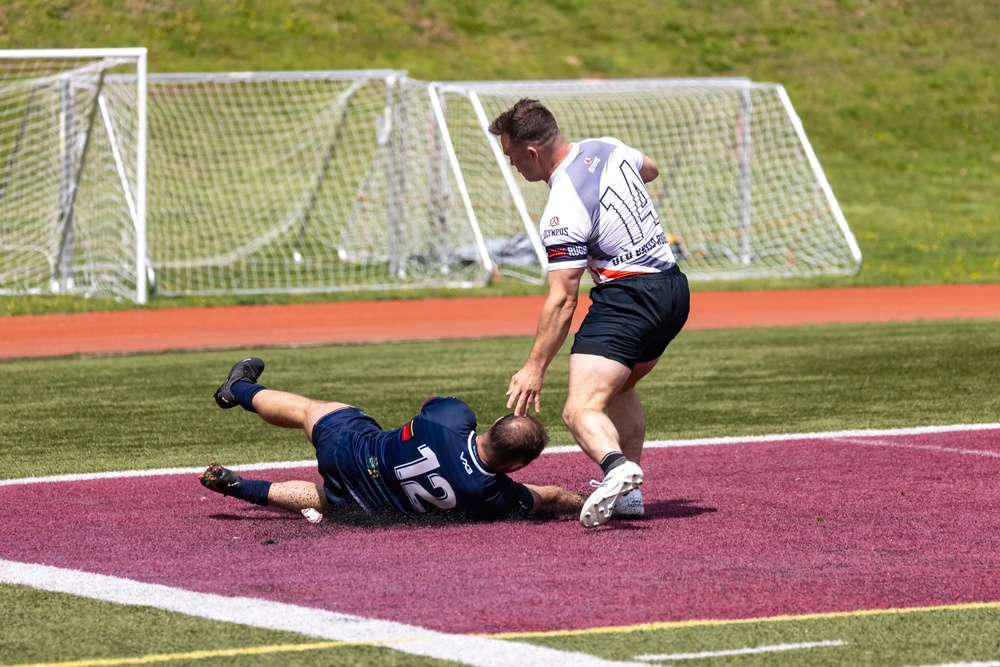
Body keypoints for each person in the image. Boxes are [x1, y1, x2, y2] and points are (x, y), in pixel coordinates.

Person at [489, 98, 691, 529]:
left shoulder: (562, 206)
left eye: (511, 158)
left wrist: (534, 367)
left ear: (532, 153)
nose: (513, 168)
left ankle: (617, 468)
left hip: (629, 298)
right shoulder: (608, 147)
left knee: (580, 409)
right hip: (673, 291)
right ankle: (630, 497)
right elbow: (649, 169)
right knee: (615, 390)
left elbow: (563, 300)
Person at [199, 357, 585, 523]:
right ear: (517, 466)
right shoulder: (492, 494)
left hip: (353, 452)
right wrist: (587, 502)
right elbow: (548, 497)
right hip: (371, 502)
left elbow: (429, 405)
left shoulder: (454, 419)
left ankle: (240, 389)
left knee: (309, 410)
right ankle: (241, 487)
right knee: (335, 500)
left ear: (496, 422)